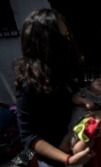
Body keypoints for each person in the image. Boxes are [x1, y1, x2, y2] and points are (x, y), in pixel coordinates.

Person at [14, 8, 95, 167]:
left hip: (80, 150)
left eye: (68, 35)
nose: (69, 42)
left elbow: (79, 102)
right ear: (45, 43)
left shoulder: (69, 69)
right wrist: (68, 160)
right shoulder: (28, 84)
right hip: (55, 160)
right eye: (62, 38)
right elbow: (29, 136)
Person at [59, 78, 101, 154]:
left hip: (86, 130)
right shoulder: (83, 91)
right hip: (72, 128)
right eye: (99, 80)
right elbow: (74, 99)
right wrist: (84, 101)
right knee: (63, 147)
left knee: (78, 150)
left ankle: (83, 156)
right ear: (90, 83)